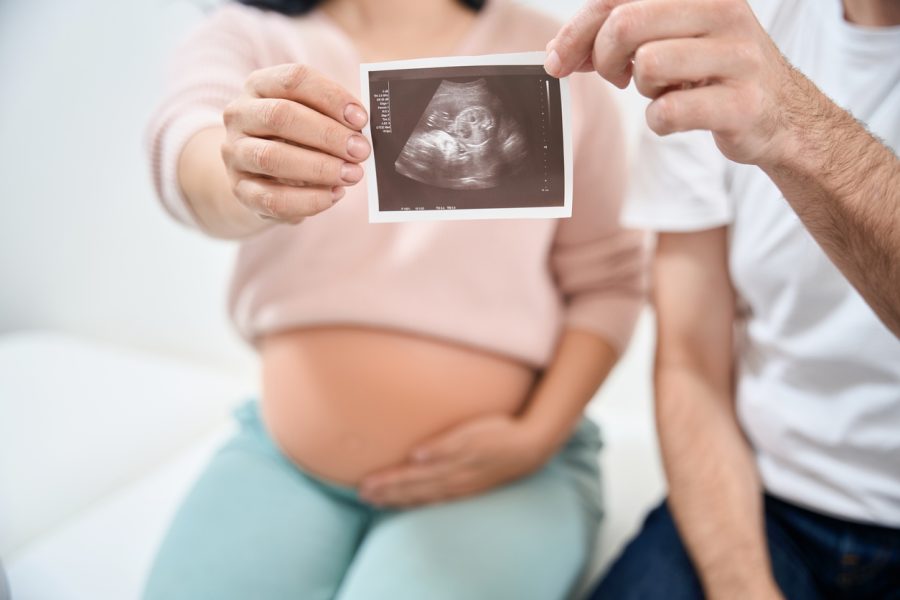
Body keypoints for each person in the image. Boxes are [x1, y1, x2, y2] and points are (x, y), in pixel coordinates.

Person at [142, 0, 646, 598]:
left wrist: (537, 435)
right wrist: (244, 173)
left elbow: (609, 281)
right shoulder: (249, 39)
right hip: (286, 459)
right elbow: (186, 150)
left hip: (509, 474)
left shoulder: (558, 58)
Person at [545, 0, 900, 598]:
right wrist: (742, 585)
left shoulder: (736, 49)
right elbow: (690, 363)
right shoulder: (723, 28)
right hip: (762, 501)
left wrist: (791, 120)